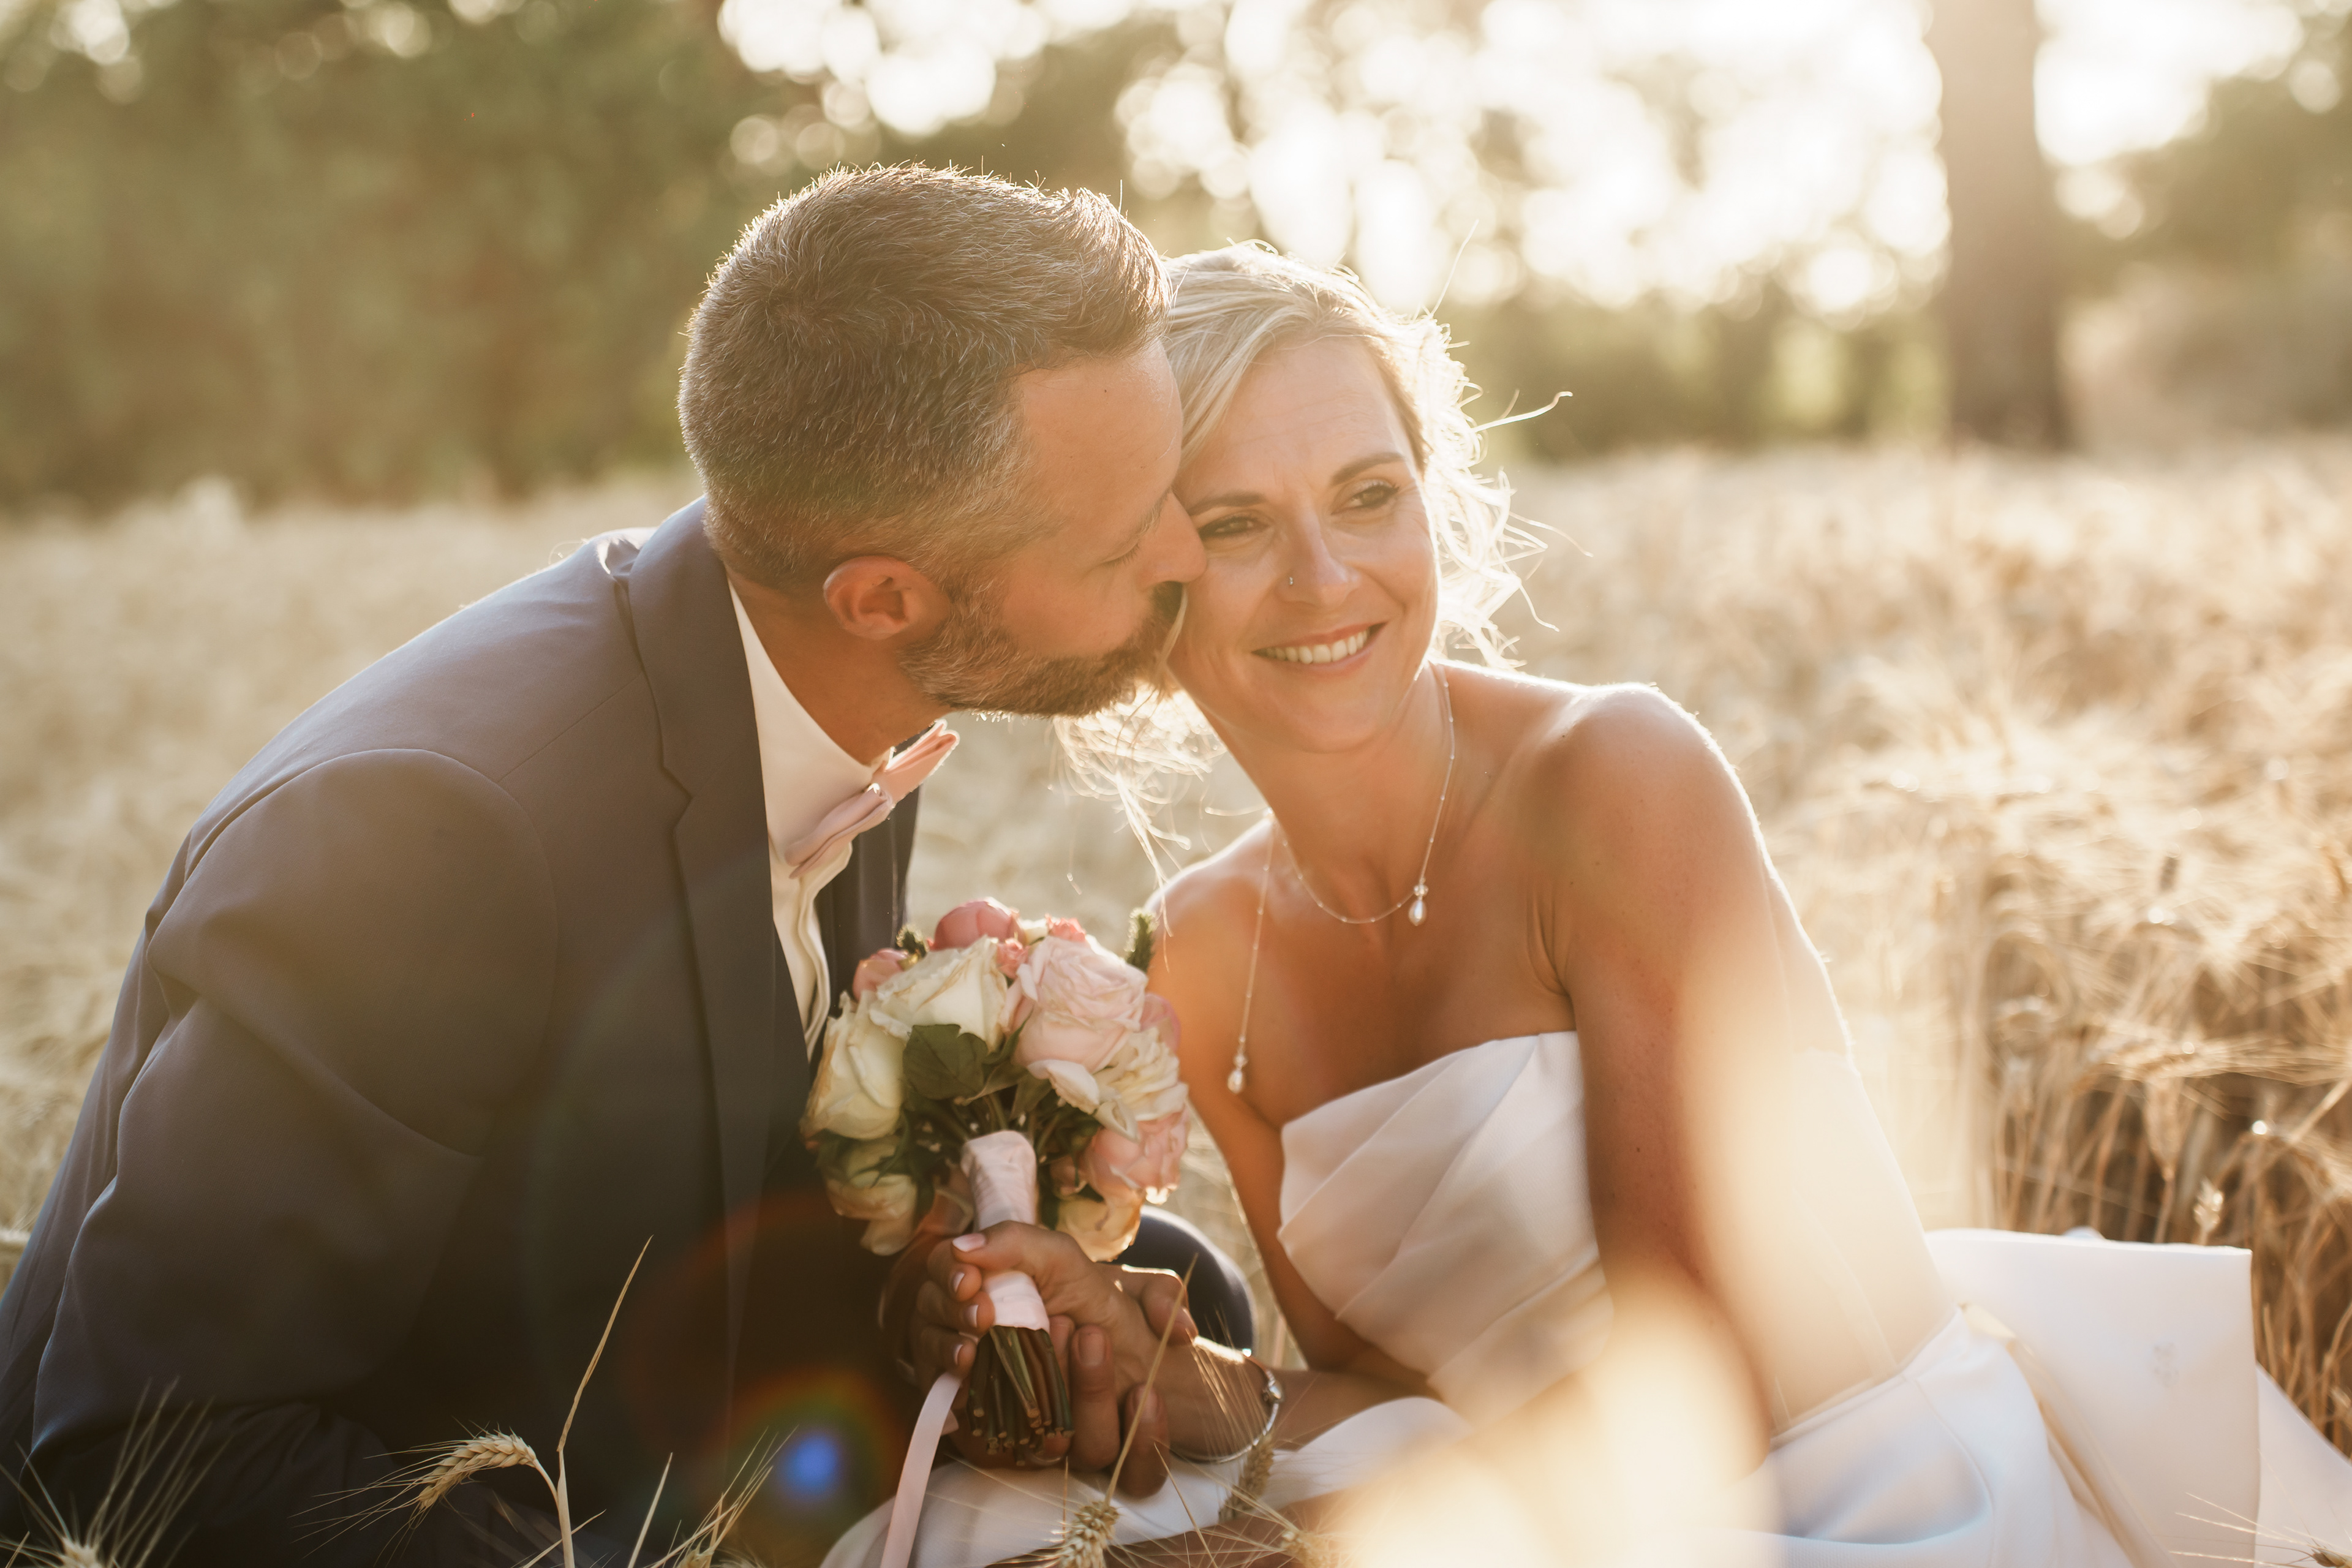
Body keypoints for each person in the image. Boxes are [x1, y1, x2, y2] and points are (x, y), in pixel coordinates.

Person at [861, 244, 2352, 1567]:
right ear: (1142, 584)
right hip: (1542, 1505)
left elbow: (1692, 1366)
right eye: (1238, 523)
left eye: (1370, 498)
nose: (1327, 580)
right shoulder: (1200, 942)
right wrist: (1151, 1356)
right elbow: (1397, 1400)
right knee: (965, 1524)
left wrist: (1282, 1545)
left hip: (1839, 1496)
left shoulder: (1614, 779)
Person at [0, 166, 1234, 1567]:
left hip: (682, 1472)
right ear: (884, 596)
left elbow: (678, 1207)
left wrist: (925, 1300)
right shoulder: (425, 842)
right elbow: (147, 1441)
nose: (1188, 550)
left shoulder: (822, 699)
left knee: (1201, 1326)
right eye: (1132, 535)